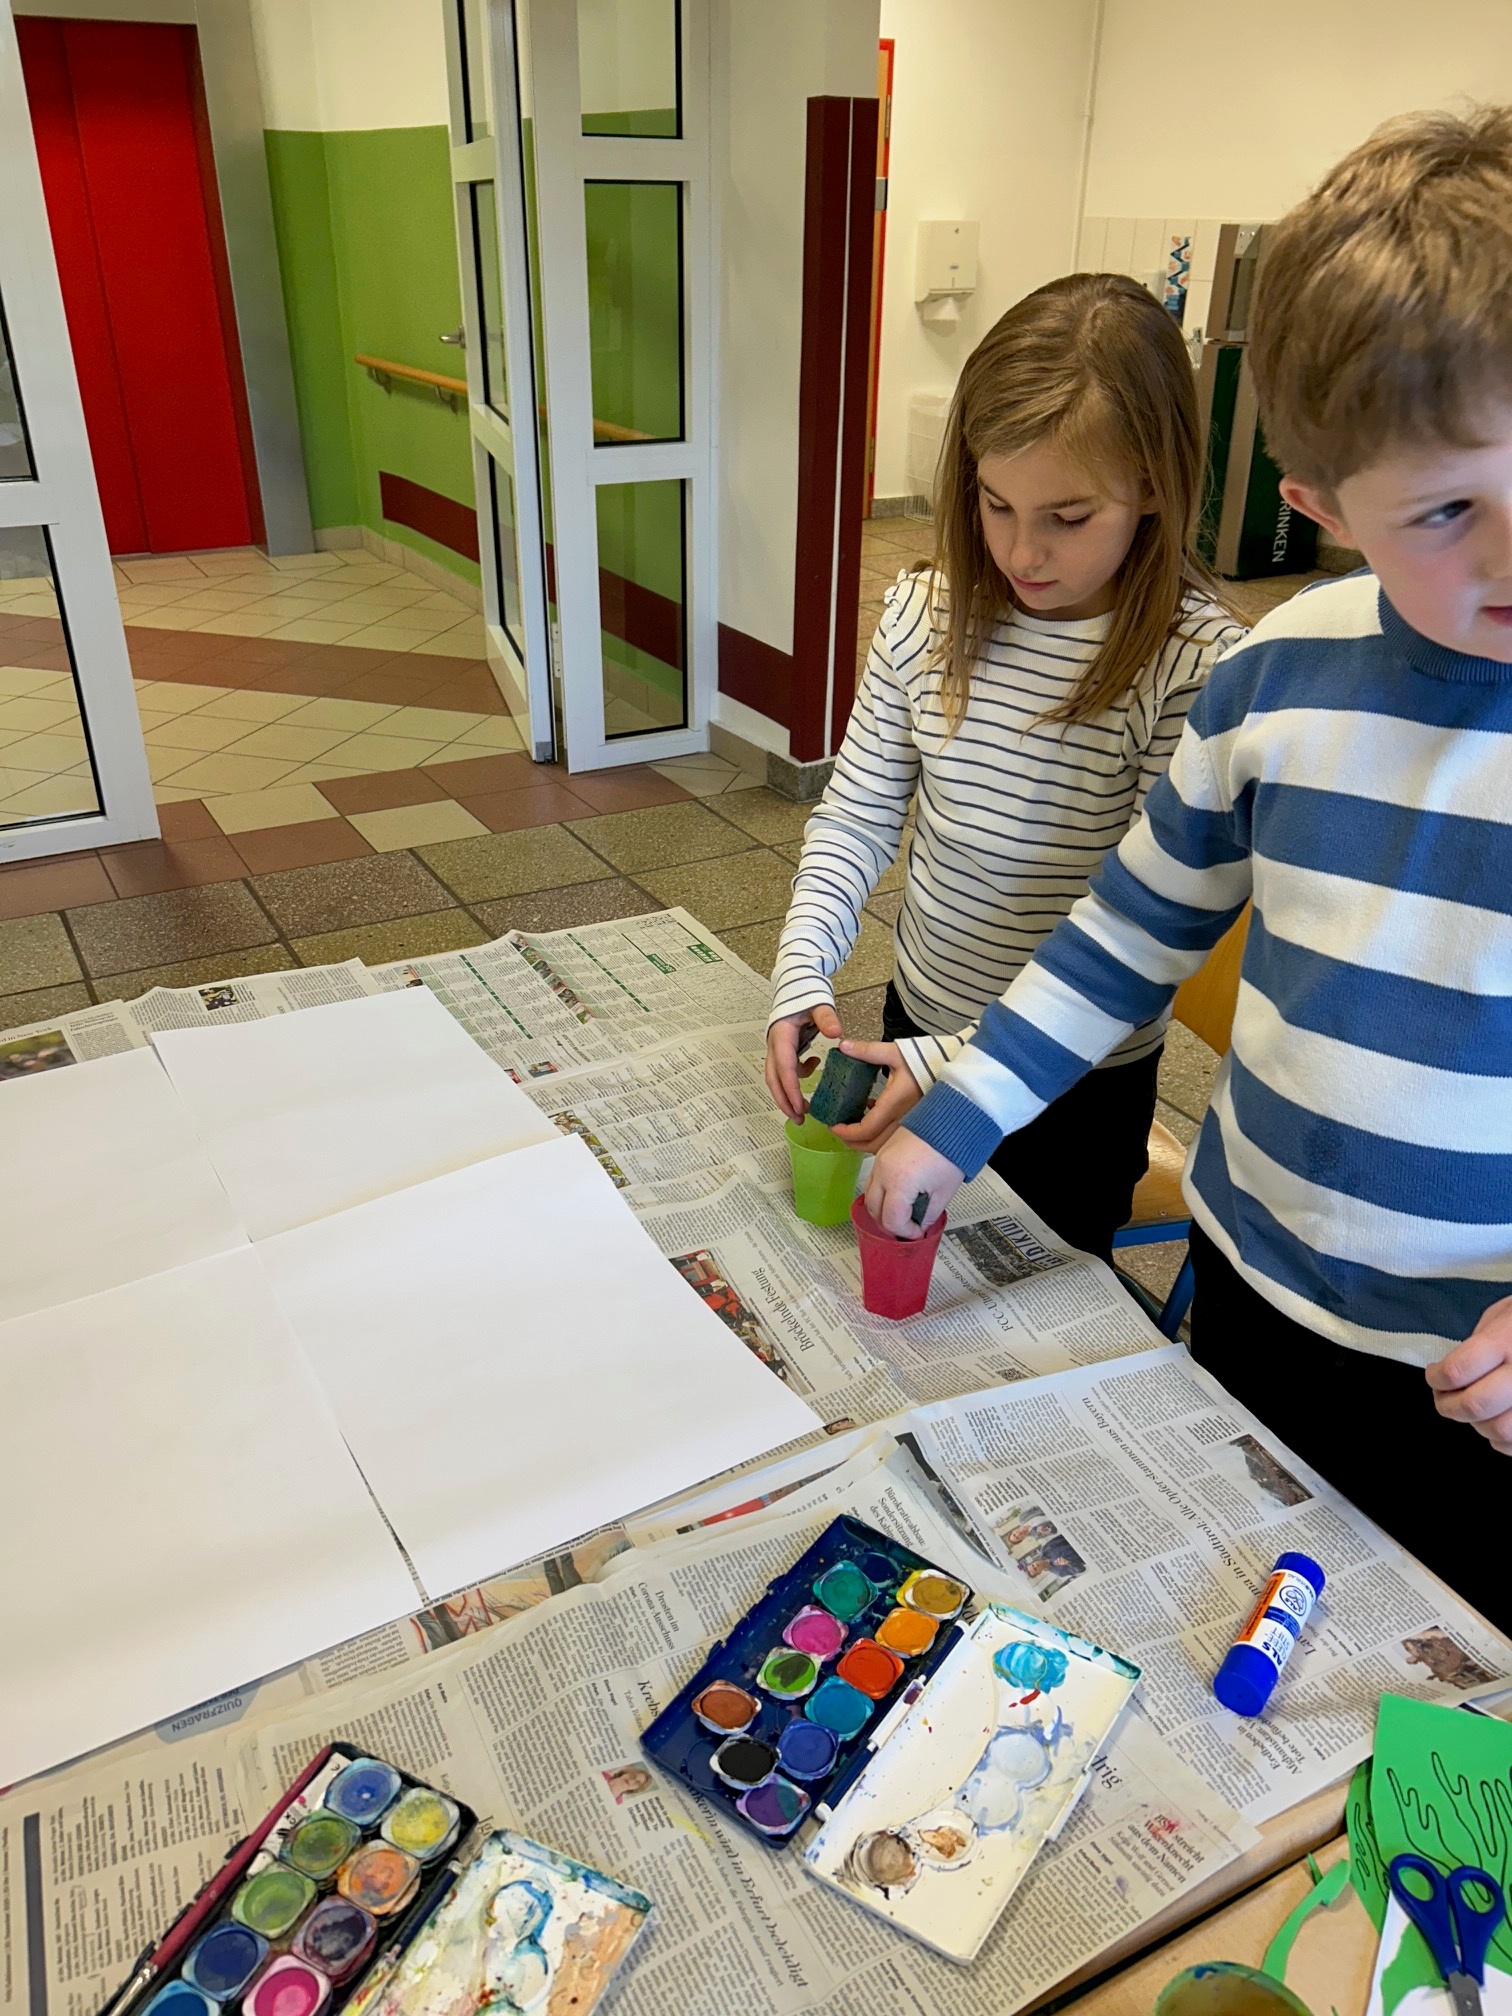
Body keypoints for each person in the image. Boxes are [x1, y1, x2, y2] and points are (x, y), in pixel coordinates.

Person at [862, 109, 1512, 1630]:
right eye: (1447, 510)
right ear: (1321, 501)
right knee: (1214, 1629)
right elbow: (1121, 941)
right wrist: (960, 1117)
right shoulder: (1277, 680)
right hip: (1248, 1286)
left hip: (1475, 1367)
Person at [765, 274, 1243, 1261]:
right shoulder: (924, 611)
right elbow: (855, 818)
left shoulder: (1197, 667)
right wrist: (801, 965)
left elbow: (1140, 940)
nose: (1024, 552)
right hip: (918, 1019)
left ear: (1155, 485)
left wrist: (954, 1066)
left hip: (1075, 1079)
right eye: (995, 503)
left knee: (1033, 1296)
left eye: (1069, 516)